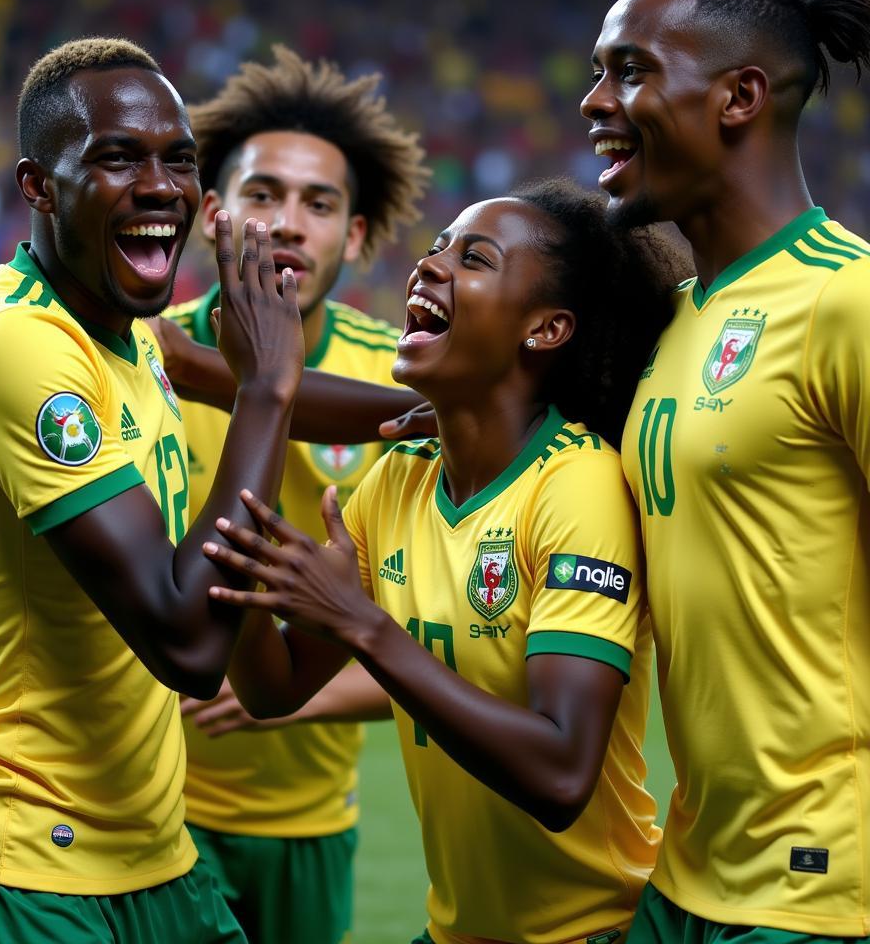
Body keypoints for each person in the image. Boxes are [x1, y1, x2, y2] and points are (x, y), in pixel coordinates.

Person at [0, 36, 306, 944]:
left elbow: (291, 391)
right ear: (37, 186)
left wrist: (452, 407)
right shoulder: (20, 348)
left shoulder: (127, 334)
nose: (162, 186)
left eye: (180, 160)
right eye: (119, 157)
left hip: (152, 858)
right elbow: (190, 644)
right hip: (21, 870)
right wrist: (267, 388)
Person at [201, 180, 685, 944]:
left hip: (594, 933)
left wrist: (362, 625)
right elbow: (271, 687)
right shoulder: (398, 481)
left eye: (475, 258)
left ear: (547, 328)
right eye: (434, 249)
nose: (429, 266)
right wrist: (246, 556)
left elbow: (561, 775)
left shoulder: (578, 483)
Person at [580, 0, 870, 941]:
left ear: (739, 95)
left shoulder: (847, 301)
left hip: (826, 886)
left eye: (628, 71)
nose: (592, 101)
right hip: (692, 870)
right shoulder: (671, 324)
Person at [163, 45, 430, 944]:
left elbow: (462, 641)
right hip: (146, 813)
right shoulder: (139, 357)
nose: (288, 223)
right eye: (263, 194)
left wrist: (300, 693)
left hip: (308, 825)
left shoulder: (409, 382)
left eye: (320, 205)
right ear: (211, 212)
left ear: (355, 237)